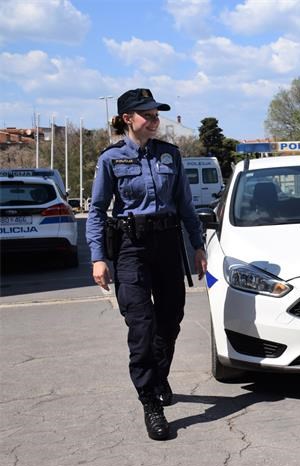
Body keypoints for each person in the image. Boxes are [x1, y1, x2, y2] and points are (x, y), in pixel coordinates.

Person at [86, 88, 207, 440]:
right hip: (130, 248)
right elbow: (95, 210)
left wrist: (198, 245)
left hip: (168, 244)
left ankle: (159, 374)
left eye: (157, 115)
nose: (156, 121)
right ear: (128, 119)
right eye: (149, 116)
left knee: (170, 320)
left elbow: (184, 203)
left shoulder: (170, 155)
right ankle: (150, 400)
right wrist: (98, 258)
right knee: (141, 327)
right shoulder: (112, 159)